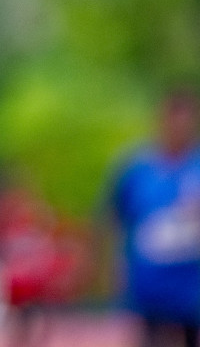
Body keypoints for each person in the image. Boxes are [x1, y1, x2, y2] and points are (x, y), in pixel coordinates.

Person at [110, 88, 200, 347]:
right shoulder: (137, 168)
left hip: (191, 284)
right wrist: (116, 267)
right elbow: (116, 217)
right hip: (150, 281)